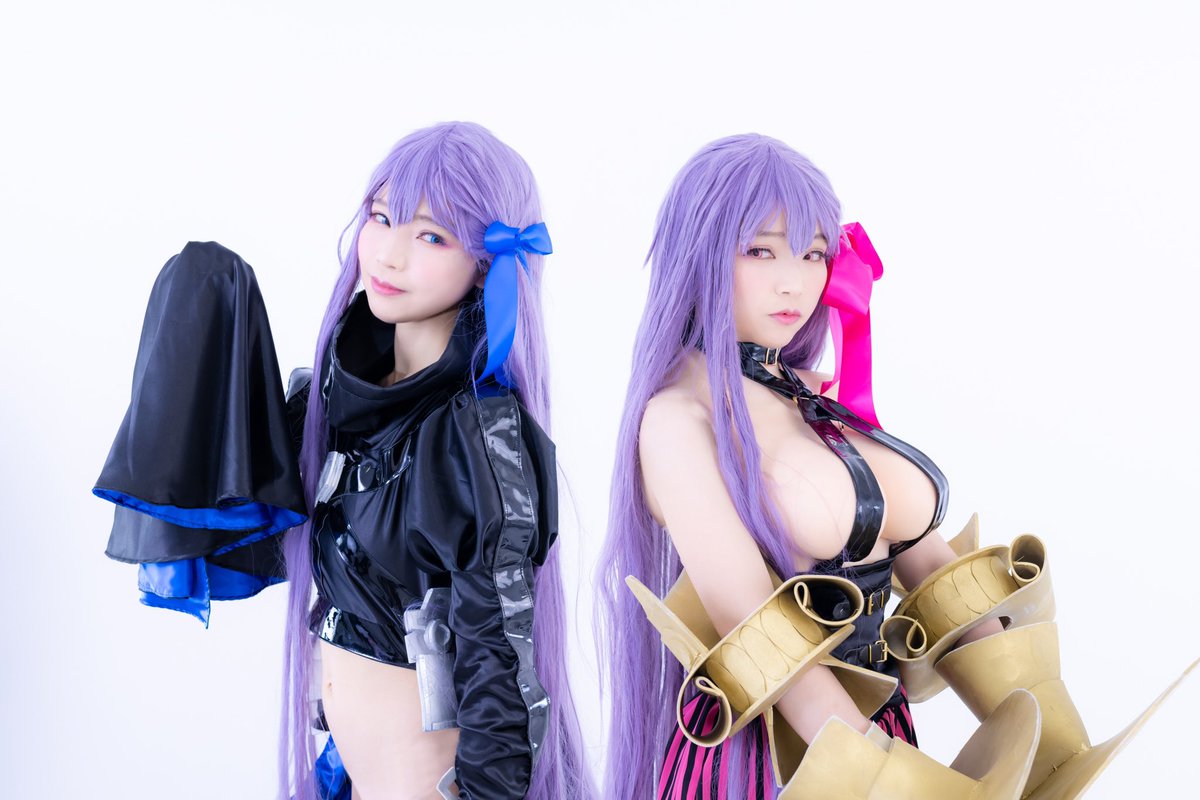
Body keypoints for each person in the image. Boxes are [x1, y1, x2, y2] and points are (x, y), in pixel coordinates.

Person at [595, 133, 1194, 800]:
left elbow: (931, 571)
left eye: (813, 253)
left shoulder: (810, 399)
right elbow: (754, 630)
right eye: (761, 250)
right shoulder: (678, 421)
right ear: (699, 251)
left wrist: (1049, 746)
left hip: (880, 737)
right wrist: (890, 781)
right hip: (782, 761)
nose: (795, 281)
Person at [95, 121, 594, 800]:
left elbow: (499, 673)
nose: (389, 254)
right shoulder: (333, 402)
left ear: (486, 261)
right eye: (381, 218)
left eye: (431, 236)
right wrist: (208, 294)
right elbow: (235, 519)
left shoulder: (478, 437)